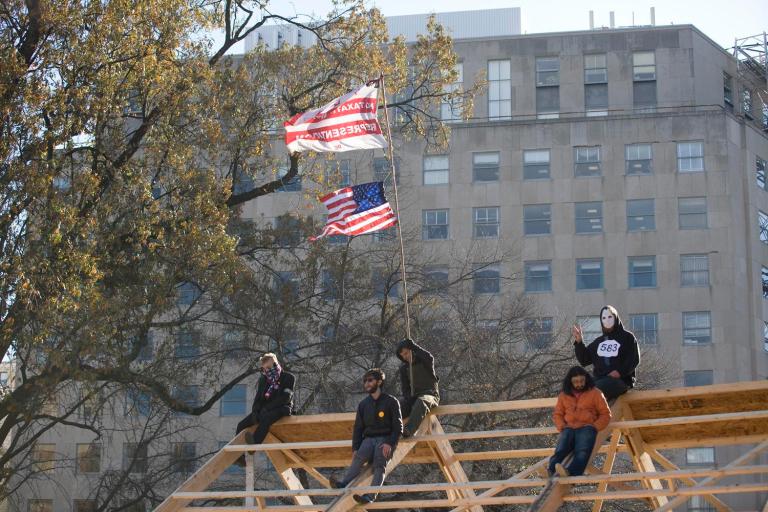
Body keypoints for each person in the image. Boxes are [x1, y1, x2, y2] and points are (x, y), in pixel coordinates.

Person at [330, 369, 402, 505]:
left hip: (385, 440)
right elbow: (358, 428)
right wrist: (355, 448)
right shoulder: (363, 404)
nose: (367, 384)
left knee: (379, 466)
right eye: (365, 381)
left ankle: (370, 496)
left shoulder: (391, 401)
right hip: (368, 439)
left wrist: (390, 443)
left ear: (379, 382)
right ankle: (343, 485)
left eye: (370, 380)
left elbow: (398, 427)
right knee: (358, 459)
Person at [549, 366, 611, 477]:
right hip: (568, 427)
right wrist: (561, 426)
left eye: (582, 380)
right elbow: (557, 414)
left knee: (582, 451)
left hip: (586, 427)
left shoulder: (596, 393)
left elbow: (605, 414)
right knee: (561, 449)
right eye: (576, 382)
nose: (579, 384)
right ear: (570, 382)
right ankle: (551, 470)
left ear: (586, 379)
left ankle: (572, 472)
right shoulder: (563, 395)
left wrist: (595, 427)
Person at [572, 305, 640, 401]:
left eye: (610, 317)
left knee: (593, 390)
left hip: (620, 381)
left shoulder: (627, 337)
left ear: (616, 318)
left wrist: (620, 372)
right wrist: (579, 342)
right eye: (604, 318)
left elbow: (633, 359)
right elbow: (584, 359)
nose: (607, 320)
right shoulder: (599, 342)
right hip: (600, 380)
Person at [235, 353, 295, 445]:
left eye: (269, 367)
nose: (267, 370)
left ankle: (254, 443)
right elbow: (258, 398)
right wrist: (255, 411)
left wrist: (267, 408)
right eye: (264, 368)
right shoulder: (263, 380)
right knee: (241, 425)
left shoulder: (289, 378)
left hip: (280, 409)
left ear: (275, 364)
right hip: (263, 410)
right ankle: (239, 457)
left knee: (266, 419)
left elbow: (285, 398)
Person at [396, 338, 440, 438]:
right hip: (415, 396)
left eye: (406, 353)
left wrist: (414, 346)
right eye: (402, 356)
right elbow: (405, 389)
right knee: (396, 406)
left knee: (421, 401)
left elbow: (429, 357)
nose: (405, 357)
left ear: (412, 350)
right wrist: (408, 398)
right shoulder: (404, 369)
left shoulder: (425, 361)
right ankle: (387, 431)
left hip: (430, 395)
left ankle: (408, 430)